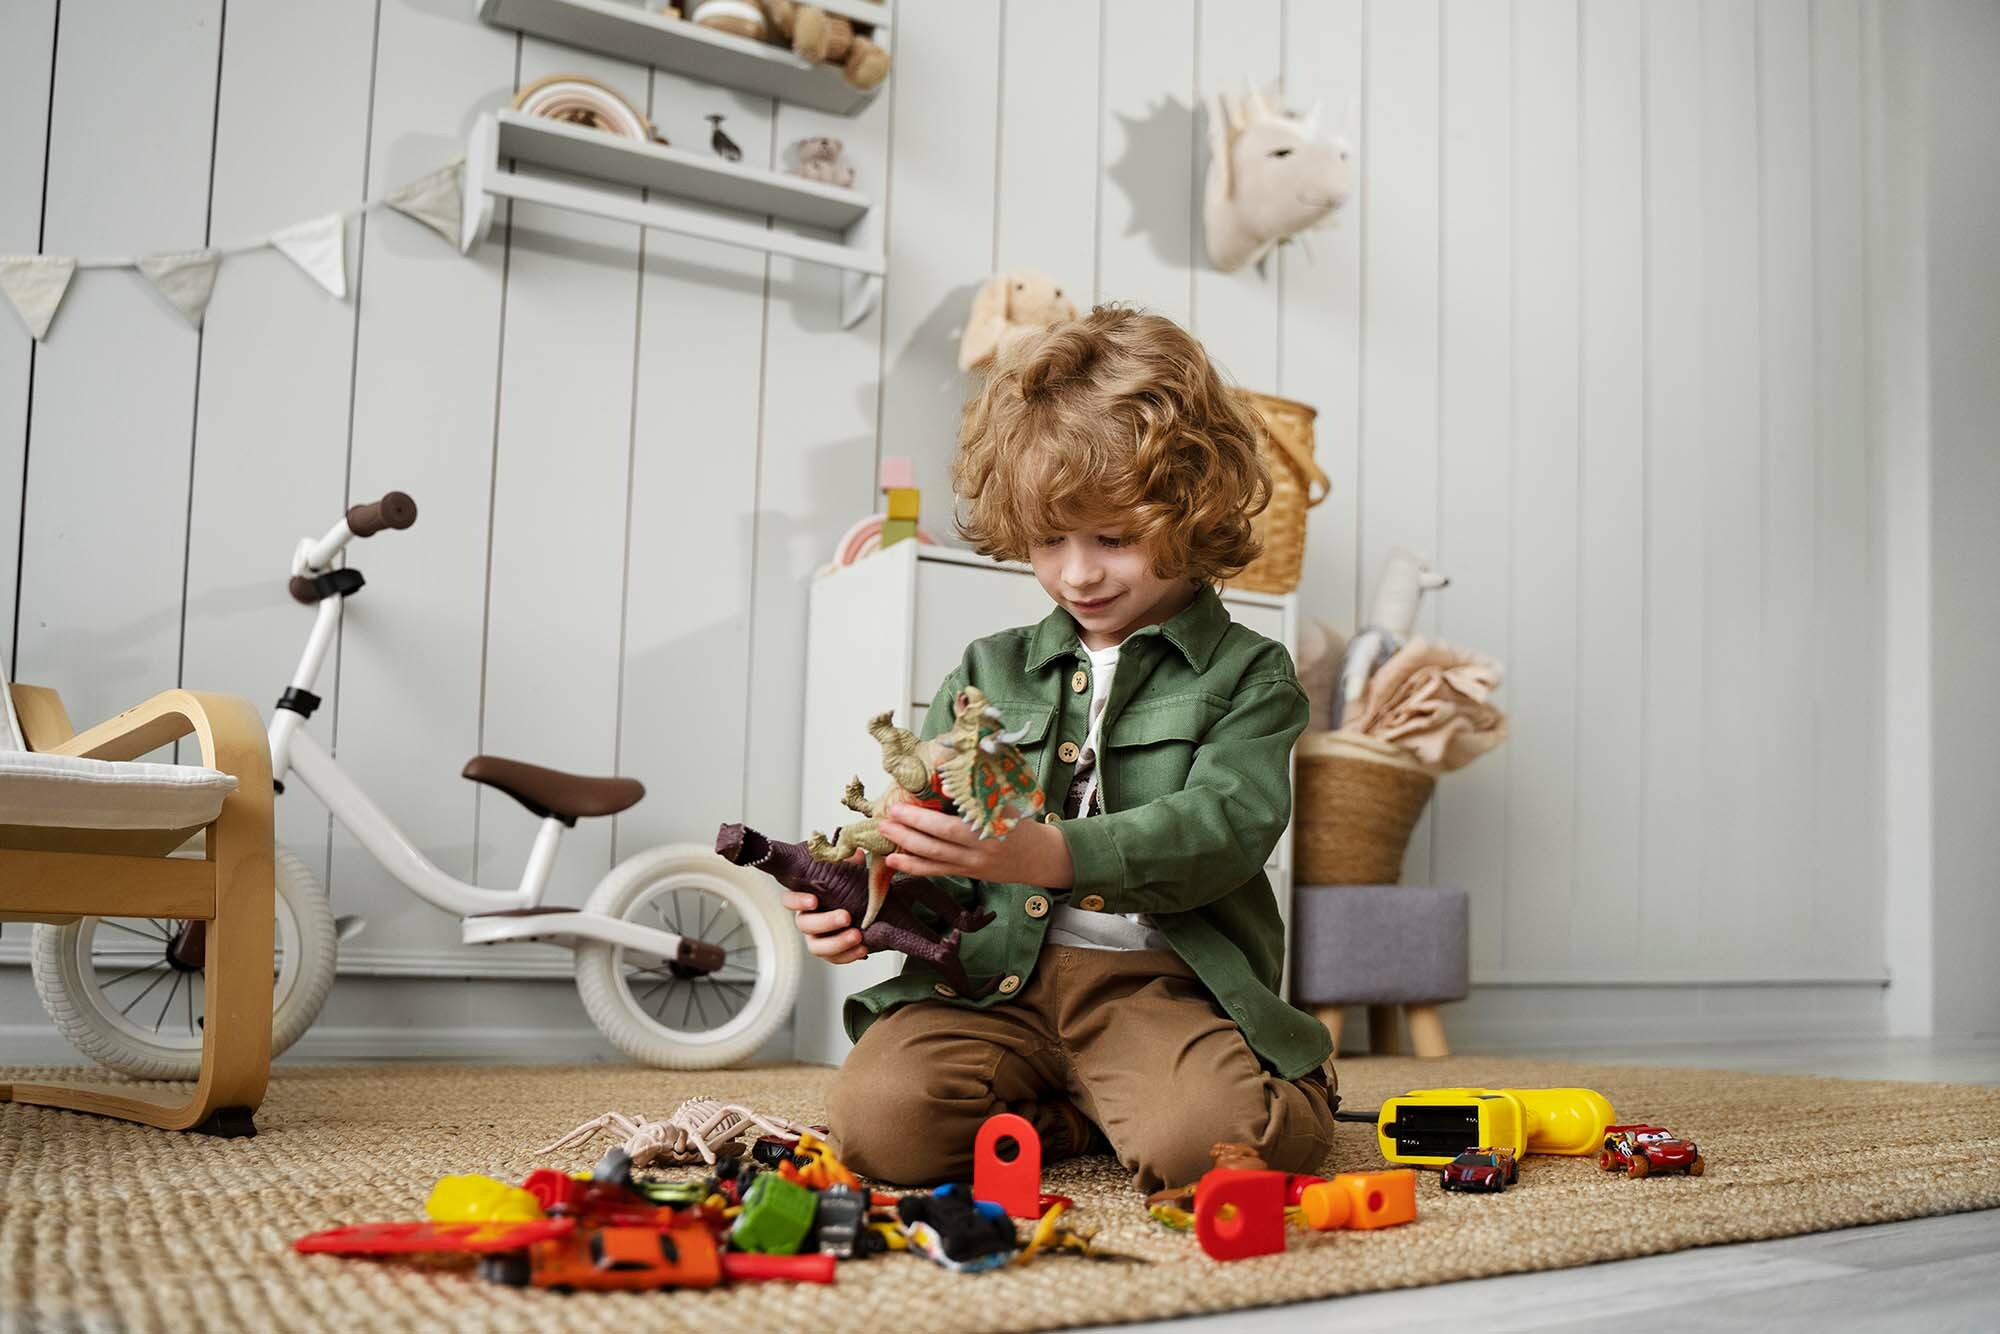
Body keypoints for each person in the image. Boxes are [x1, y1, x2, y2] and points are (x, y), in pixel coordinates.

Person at [792, 305, 1335, 1193]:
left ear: (1191, 508)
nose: (1077, 574)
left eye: (1113, 538)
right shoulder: (989, 668)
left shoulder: (1250, 673)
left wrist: (1052, 853)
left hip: (1154, 987)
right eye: (1050, 541)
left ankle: (1288, 1083)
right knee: (879, 1128)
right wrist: (868, 898)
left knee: (1211, 1152)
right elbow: (939, 848)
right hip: (991, 986)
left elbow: (1225, 829)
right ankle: (1085, 1114)